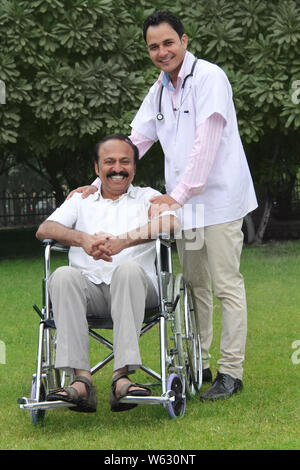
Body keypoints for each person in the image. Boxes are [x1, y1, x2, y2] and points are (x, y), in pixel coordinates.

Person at [68, 11, 258, 400]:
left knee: (226, 286)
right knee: (194, 286)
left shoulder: (210, 78)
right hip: (186, 209)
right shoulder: (157, 91)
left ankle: (231, 372)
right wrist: (94, 185)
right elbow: (132, 143)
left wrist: (179, 194)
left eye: (168, 43)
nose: (161, 51)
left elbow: (207, 140)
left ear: (184, 41)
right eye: (153, 46)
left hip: (219, 202)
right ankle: (199, 362)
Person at [36, 133, 178, 412]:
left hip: (138, 290)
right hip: (89, 291)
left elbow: (171, 222)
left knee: (126, 270)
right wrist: (84, 240)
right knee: (63, 275)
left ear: (134, 167)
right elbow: (45, 230)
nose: (117, 168)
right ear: (96, 168)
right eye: (109, 161)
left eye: (125, 161)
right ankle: (81, 382)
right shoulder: (81, 200)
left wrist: (123, 241)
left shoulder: (148, 197)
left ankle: (122, 377)